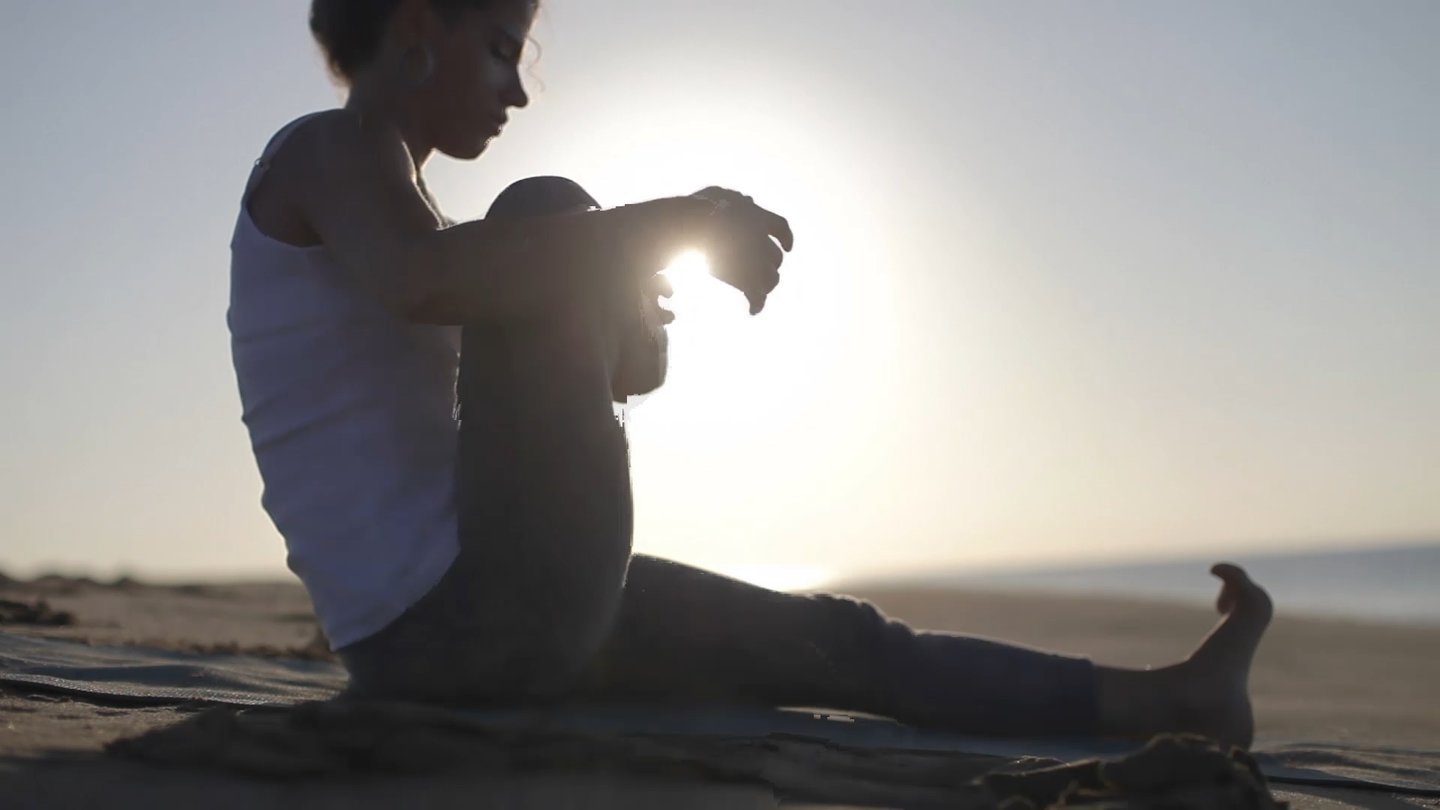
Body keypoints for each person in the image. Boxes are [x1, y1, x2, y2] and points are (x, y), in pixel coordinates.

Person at [229, 0, 1273, 748]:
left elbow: (538, 365)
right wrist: (678, 223)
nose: (518, 88)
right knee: (546, 208)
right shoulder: (326, 150)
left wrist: (617, 331)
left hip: (461, 629)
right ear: (418, 26)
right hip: (460, 625)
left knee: (844, 643)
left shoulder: (411, 215)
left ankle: (1177, 702)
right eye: (503, 49)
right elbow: (421, 280)